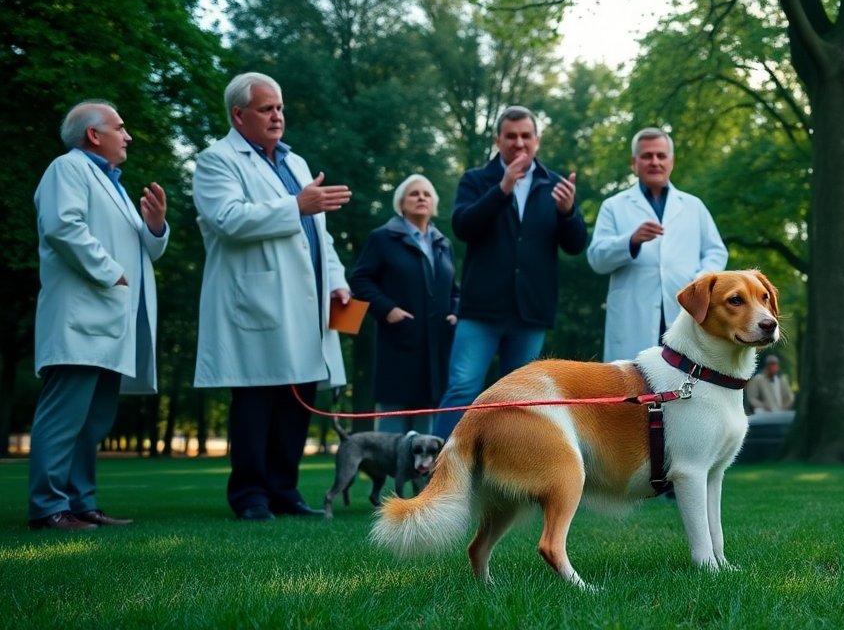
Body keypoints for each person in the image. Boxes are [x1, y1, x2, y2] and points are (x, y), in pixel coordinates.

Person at [193, 72, 353, 521]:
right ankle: (250, 495)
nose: (277, 115)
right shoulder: (217, 160)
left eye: (280, 107)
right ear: (238, 115)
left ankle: (284, 490)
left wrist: (337, 279)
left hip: (308, 302)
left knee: (296, 402)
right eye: (267, 109)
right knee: (256, 401)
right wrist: (296, 206)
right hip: (257, 300)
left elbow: (320, 235)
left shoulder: (295, 162)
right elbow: (227, 219)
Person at [27, 100, 168, 531]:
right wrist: (113, 274)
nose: (127, 136)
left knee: (93, 420)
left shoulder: (112, 183)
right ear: (93, 134)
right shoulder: (66, 169)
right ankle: (48, 506)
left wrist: (156, 225)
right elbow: (63, 227)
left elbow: (148, 252)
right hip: (81, 318)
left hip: (110, 322)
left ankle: (81, 502)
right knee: (64, 416)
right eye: (120, 128)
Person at [431, 106, 588, 438]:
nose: (519, 143)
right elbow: (463, 226)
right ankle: (435, 474)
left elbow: (576, 245)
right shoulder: (476, 180)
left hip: (530, 311)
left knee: (520, 401)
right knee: (462, 388)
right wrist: (501, 189)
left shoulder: (555, 184)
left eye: (526, 136)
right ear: (497, 140)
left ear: (537, 140)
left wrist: (568, 212)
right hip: (480, 310)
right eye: (511, 136)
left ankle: (506, 478)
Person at [586, 127, 727, 361]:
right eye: (647, 156)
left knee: (682, 387)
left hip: (683, 313)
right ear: (634, 162)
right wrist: (630, 241)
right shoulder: (614, 206)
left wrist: (701, 279)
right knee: (631, 390)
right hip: (633, 318)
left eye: (661, 156)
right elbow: (597, 259)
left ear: (671, 161)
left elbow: (715, 251)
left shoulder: (694, 206)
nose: (655, 162)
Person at [349, 174, 460, 434]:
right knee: (394, 418)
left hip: (436, 344)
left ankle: (423, 476)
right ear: (401, 203)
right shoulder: (383, 238)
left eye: (427, 194)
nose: (421, 198)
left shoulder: (443, 244)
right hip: (398, 341)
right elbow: (360, 279)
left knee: (428, 421)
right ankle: (388, 475)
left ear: (434, 204)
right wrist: (388, 310)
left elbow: (454, 290)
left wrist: (455, 313)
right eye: (414, 193)